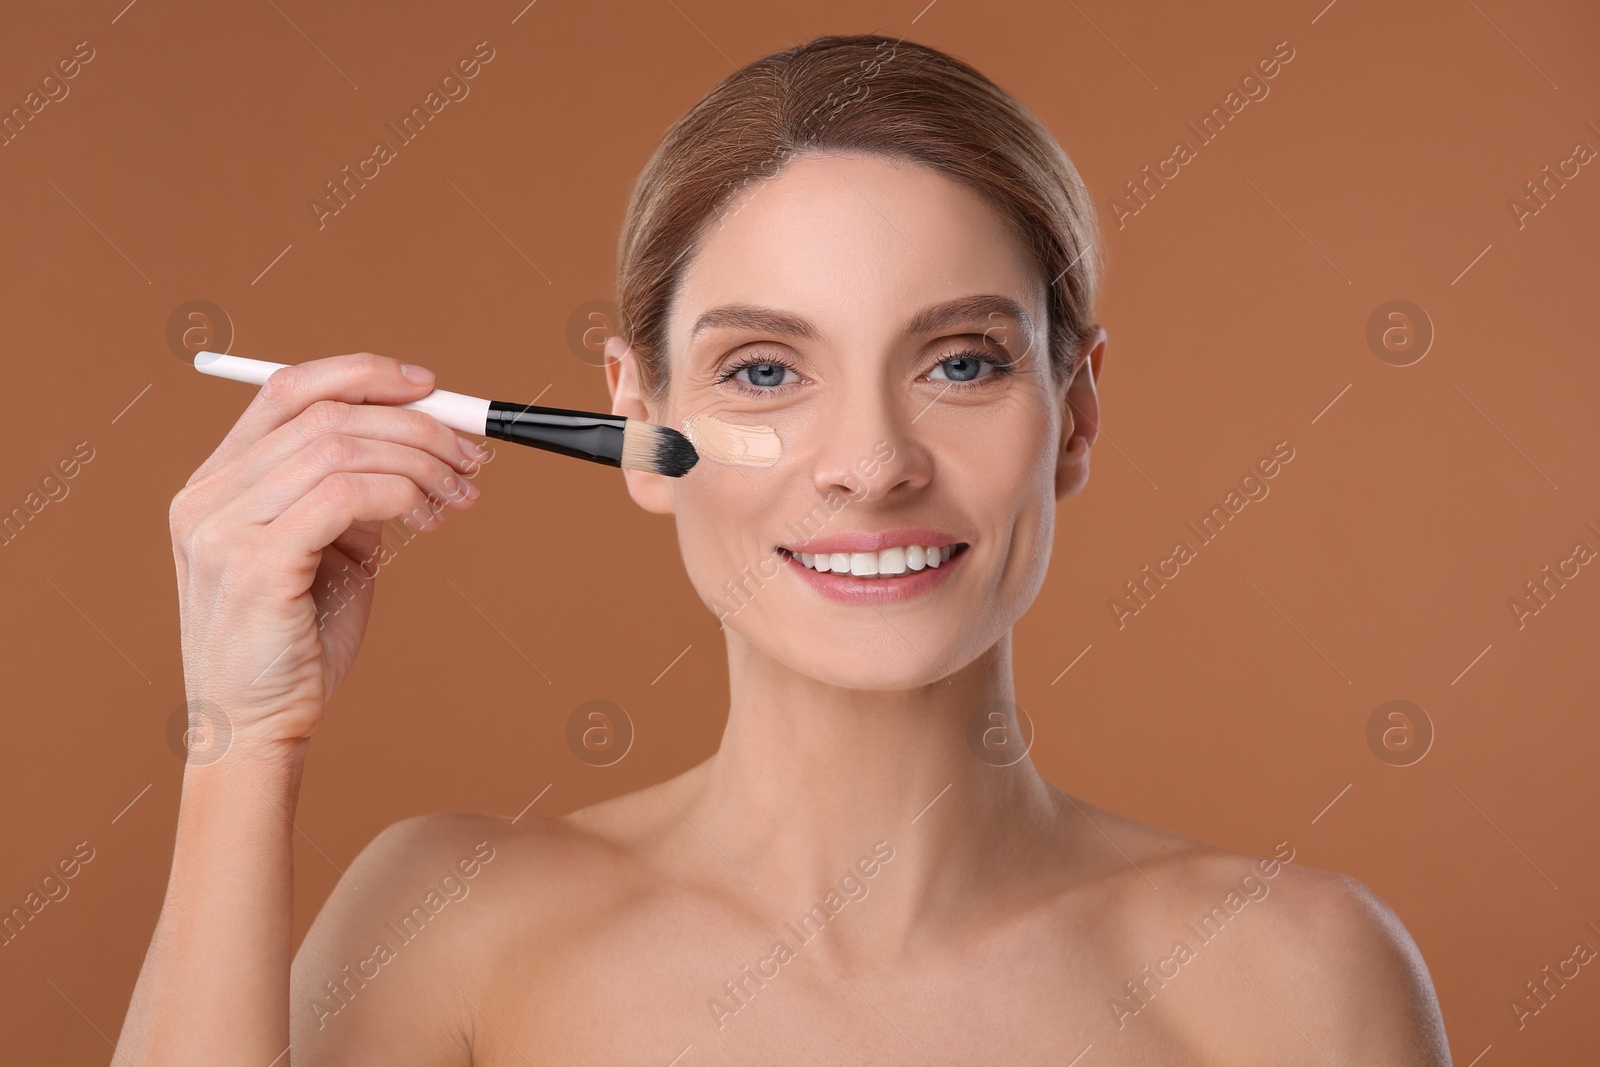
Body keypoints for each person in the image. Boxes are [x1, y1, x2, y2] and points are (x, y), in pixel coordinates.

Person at [116, 33, 1451, 1065]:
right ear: (636, 420)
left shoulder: (1291, 976)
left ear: (1079, 411)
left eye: (963, 360)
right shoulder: (449, 925)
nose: (871, 462)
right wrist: (242, 738)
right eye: (764, 372)